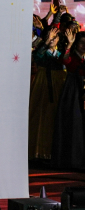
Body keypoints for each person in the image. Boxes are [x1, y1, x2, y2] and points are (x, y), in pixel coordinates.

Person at [28, 26, 66, 161]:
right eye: (50, 36)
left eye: (55, 37)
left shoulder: (61, 54)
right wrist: (46, 42)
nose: (52, 39)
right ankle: (37, 151)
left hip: (58, 86)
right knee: (38, 117)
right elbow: (36, 56)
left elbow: (67, 60)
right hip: (41, 87)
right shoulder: (41, 53)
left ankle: (54, 152)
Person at [51, 29, 85, 169]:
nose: (84, 45)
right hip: (73, 93)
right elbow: (65, 60)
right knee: (74, 125)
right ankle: (73, 161)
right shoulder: (71, 56)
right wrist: (69, 45)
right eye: (81, 43)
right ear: (76, 44)